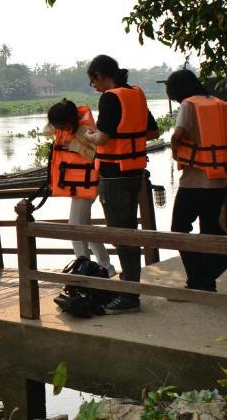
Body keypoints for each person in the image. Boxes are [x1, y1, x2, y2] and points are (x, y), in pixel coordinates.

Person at [81, 55, 159, 314]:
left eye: (94, 81)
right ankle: (128, 283)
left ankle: (130, 296)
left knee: (120, 233)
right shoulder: (136, 93)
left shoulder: (111, 97)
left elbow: (102, 138)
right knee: (129, 231)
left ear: (102, 75)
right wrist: (129, 136)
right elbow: (153, 131)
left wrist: (89, 135)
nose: (94, 86)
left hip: (114, 174)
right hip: (135, 171)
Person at [166, 69, 227, 292]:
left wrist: (176, 150)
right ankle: (207, 281)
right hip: (217, 181)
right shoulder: (220, 104)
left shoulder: (188, 105)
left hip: (194, 182)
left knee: (179, 230)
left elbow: (178, 134)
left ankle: (198, 279)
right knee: (210, 229)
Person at [46, 99, 114, 276]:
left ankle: (83, 267)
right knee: (84, 225)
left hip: (87, 184)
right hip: (78, 185)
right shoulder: (67, 128)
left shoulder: (85, 131)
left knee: (74, 226)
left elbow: (97, 155)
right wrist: (57, 124)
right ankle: (105, 266)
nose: (58, 130)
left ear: (68, 122)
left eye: (60, 126)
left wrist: (75, 146)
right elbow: (46, 131)